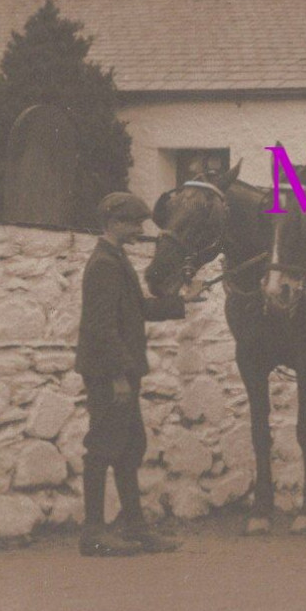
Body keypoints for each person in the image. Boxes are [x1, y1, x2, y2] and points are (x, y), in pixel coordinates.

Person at [74, 191, 203, 557]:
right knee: (101, 448)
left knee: (130, 447)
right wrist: (118, 376)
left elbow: (138, 309)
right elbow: (101, 328)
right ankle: (94, 533)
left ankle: (136, 527)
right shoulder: (103, 264)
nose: (139, 229)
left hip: (120, 370)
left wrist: (183, 302)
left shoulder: (115, 258)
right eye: (134, 223)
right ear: (114, 223)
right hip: (109, 373)